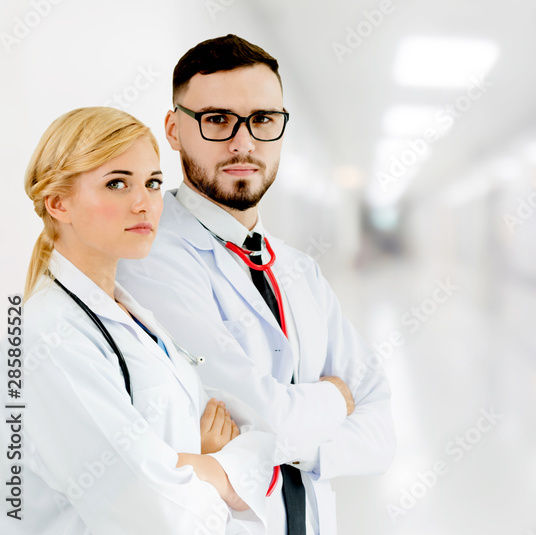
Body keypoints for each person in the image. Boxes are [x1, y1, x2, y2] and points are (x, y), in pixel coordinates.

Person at [117, 35, 395, 534]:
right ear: (174, 129)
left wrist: (283, 434)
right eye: (217, 120)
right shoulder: (149, 257)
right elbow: (267, 416)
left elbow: (381, 434)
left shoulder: (297, 270)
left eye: (263, 120)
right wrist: (335, 401)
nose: (243, 143)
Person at [0, 107, 276, 534]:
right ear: (58, 203)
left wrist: (182, 461)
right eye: (117, 183)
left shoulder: (132, 313)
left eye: (153, 183)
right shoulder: (49, 337)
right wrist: (212, 468)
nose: (144, 203)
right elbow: (155, 513)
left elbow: (247, 434)